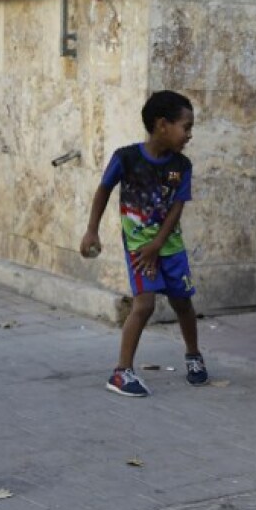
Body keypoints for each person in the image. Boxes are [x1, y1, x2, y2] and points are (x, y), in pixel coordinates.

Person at [80, 90, 208, 397]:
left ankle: (193, 355)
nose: (189, 134)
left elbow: (177, 207)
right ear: (162, 125)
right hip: (140, 250)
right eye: (185, 127)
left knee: (182, 302)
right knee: (144, 304)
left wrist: (158, 244)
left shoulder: (182, 166)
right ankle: (121, 371)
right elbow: (103, 190)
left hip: (170, 248)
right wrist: (91, 231)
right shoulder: (126, 158)